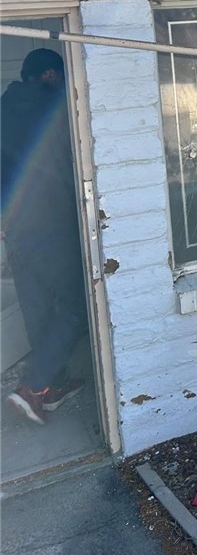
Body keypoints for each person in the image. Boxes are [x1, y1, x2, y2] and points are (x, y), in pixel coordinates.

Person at [0, 48, 87, 424]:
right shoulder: (55, 112)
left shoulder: (3, 110)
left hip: (16, 229)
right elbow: (69, 168)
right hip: (54, 225)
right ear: (50, 75)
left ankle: (53, 385)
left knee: (37, 310)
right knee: (77, 305)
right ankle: (33, 387)